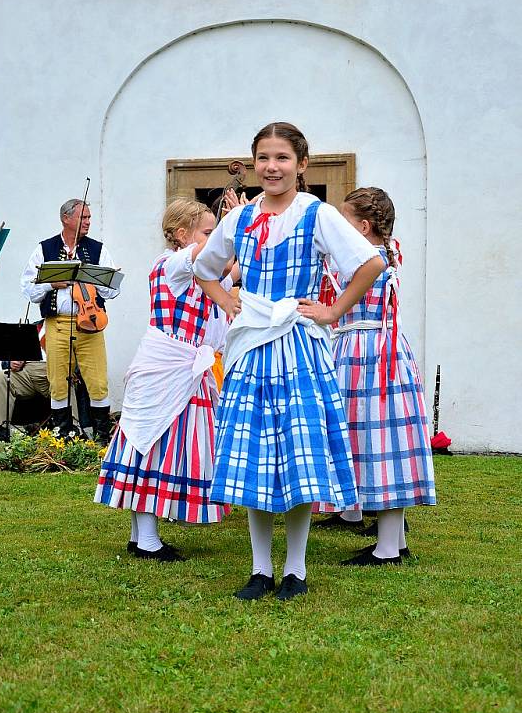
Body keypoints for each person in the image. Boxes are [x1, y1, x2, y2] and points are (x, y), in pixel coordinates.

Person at [193, 122, 385, 600]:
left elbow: (370, 262)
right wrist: (227, 299)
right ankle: (260, 569)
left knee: (300, 456)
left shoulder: (316, 214)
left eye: (281, 158)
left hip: (298, 346)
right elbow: (203, 267)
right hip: (252, 346)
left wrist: (334, 310)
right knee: (252, 455)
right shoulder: (239, 219)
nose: (271, 167)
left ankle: (295, 569)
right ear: (254, 163)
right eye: (263, 158)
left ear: (301, 164)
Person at [94, 198, 230, 563]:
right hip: (167, 364)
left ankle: (143, 536)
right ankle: (147, 539)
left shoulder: (197, 270)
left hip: (182, 364)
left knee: (162, 445)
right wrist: (231, 226)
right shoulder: (170, 264)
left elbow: (228, 270)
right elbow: (208, 255)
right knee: (152, 446)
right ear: (182, 234)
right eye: (206, 230)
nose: (212, 237)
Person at [323, 187, 435, 565]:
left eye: (345, 221)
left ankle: (388, 547)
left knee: (379, 442)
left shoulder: (365, 260)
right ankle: (392, 538)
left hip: (369, 353)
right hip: (379, 350)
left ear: (365, 226)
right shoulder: (388, 251)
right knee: (385, 442)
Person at [21, 199, 120, 442]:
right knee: (58, 379)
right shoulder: (45, 249)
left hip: (91, 321)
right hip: (58, 323)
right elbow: (28, 289)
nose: (88, 222)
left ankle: (100, 436)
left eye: (89, 217)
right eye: (83, 217)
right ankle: (62, 435)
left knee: (97, 379)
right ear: (66, 218)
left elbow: (113, 290)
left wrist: (99, 279)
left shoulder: (97, 249)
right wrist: (50, 283)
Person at [0, 360, 49, 439]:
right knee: (0, 377)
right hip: (27, 371)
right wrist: (10, 362)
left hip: (53, 371)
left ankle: (64, 431)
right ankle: (2, 433)